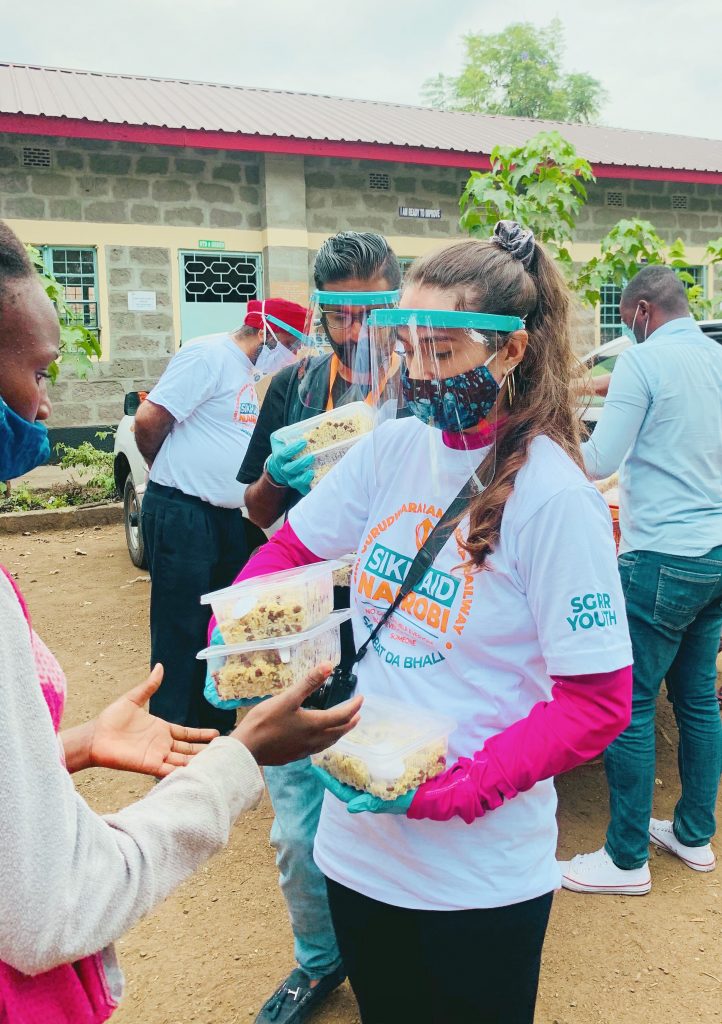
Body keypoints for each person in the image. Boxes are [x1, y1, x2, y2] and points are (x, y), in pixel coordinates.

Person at [220, 223, 634, 1023]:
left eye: (440, 350)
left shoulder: (554, 498)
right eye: (404, 346)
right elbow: (291, 550)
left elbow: (597, 703)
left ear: (509, 352)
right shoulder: (393, 448)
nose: (415, 369)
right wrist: (248, 632)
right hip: (357, 849)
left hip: (475, 876)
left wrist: (456, 791)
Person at [0, 220, 363, 1023]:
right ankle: (319, 956)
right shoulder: (279, 381)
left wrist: (75, 745)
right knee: (191, 661)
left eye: (370, 313)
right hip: (217, 543)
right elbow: (49, 906)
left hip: (366, 623)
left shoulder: (408, 390)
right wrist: (234, 763)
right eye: (40, 370)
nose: (48, 401)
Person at [235, 232, 402, 1024]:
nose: (355, 330)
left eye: (373, 310)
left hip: (400, 626)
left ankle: (396, 950)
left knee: (392, 793)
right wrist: (279, 475)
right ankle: (318, 959)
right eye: (340, 313)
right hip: (302, 620)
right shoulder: (295, 385)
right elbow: (256, 513)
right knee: (298, 827)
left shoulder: (425, 390)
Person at [561, 265, 722, 894]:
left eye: (626, 320)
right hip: (714, 556)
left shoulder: (644, 362)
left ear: (643, 313)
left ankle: (626, 859)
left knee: (628, 705)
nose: (626, 329)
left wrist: (556, 427)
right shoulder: (713, 356)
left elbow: (600, 461)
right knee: (698, 700)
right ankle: (694, 833)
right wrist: (594, 386)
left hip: (660, 559)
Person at [135, 298, 307, 732]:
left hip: (226, 521)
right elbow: (149, 419)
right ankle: (170, 730)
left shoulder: (246, 373)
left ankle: (213, 727)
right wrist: (171, 475)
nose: (291, 353)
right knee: (180, 628)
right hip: (182, 512)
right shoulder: (208, 354)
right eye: (289, 342)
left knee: (221, 624)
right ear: (267, 331)